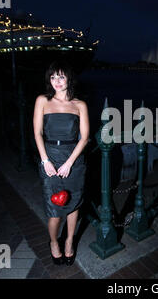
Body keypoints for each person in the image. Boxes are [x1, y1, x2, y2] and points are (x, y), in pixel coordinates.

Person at [33, 61, 89, 266]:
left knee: (74, 204)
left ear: (69, 79)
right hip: (50, 158)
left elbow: (84, 138)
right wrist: (45, 159)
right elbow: (37, 133)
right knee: (53, 208)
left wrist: (69, 163)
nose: (56, 81)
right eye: (53, 77)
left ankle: (69, 242)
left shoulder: (79, 105)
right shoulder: (42, 101)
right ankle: (54, 242)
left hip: (73, 159)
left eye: (61, 76)